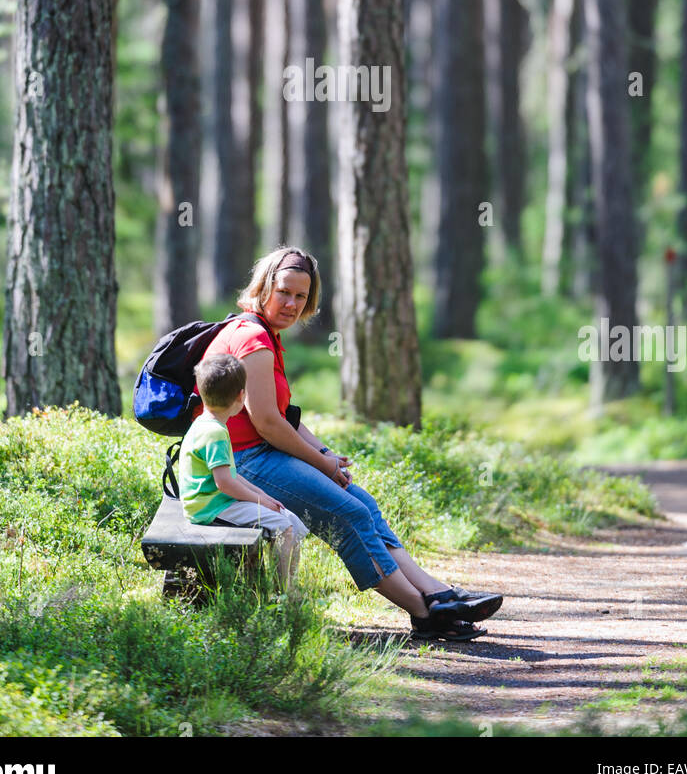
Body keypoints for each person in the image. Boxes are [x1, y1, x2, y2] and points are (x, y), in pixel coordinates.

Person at [198, 245, 505, 642]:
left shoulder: (266, 335)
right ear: (264, 288)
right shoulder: (253, 339)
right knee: (348, 515)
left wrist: (325, 455)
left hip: (259, 453)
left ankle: (436, 592)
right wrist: (321, 465)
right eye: (284, 292)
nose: (291, 303)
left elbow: (285, 415)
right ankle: (424, 612)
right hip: (241, 461)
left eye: (301, 296)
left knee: (365, 506)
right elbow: (268, 423)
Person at [177, 352, 309, 588]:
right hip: (210, 507)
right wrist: (260, 502)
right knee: (286, 528)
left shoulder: (205, 424)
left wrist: (264, 498)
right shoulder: (215, 432)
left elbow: (232, 476)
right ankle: (284, 593)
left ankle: (278, 586)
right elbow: (224, 483)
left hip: (211, 502)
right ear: (241, 396)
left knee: (291, 521)